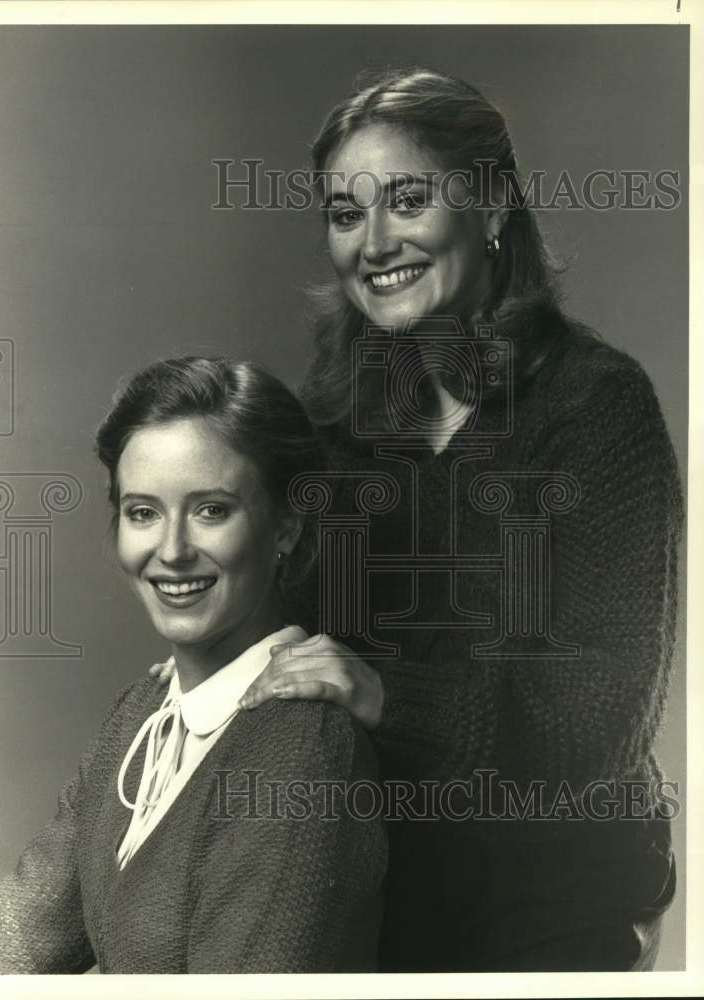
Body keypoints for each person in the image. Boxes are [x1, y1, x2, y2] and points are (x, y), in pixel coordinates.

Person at [223, 69, 684, 970]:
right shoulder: (335, 425)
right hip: (377, 896)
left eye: (406, 200)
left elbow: (595, 724)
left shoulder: (597, 404)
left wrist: (385, 696)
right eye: (346, 214)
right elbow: (293, 646)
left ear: (493, 205)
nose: (374, 242)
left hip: (558, 903)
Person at [0, 356, 387, 974]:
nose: (171, 552)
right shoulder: (139, 718)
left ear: (286, 526)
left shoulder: (302, 746)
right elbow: (1, 949)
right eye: (143, 513)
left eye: (211, 510)